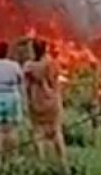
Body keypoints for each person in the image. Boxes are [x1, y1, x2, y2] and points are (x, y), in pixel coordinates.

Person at [24, 39, 68, 172]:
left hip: (36, 101)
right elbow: (57, 80)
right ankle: (63, 165)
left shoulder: (29, 66)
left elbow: (25, 85)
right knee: (56, 131)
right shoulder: (52, 63)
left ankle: (41, 165)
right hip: (52, 101)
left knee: (37, 132)